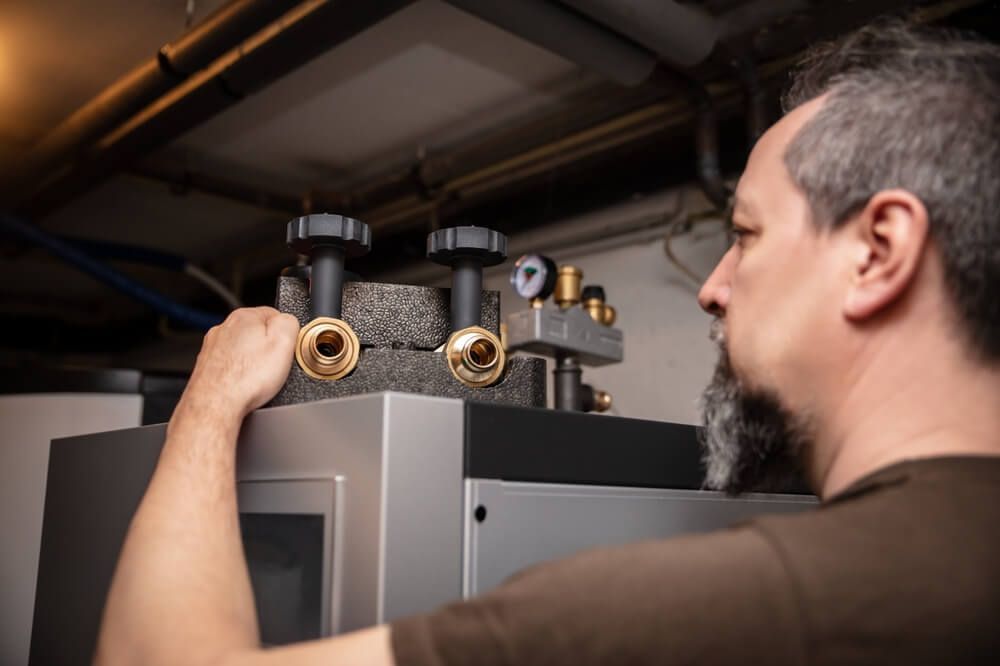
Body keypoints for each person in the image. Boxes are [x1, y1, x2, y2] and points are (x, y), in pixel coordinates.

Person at [94, 19, 1000, 666]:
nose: (714, 288)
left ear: (879, 251)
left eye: (747, 235)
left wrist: (208, 406)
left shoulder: (690, 613)